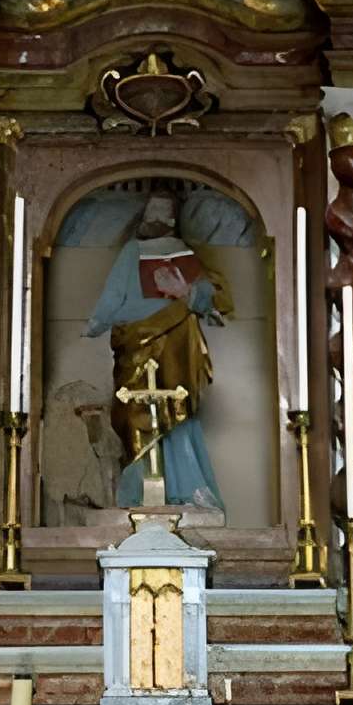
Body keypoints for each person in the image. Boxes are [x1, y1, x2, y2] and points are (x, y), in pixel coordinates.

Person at [85, 190, 233, 507]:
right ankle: (146, 492)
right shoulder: (134, 253)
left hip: (175, 345)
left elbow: (215, 302)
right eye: (150, 212)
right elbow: (110, 300)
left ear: (169, 220)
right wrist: (97, 323)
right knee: (143, 416)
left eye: (159, 214)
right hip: (143, 348)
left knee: (176, 416)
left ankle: (183, 488)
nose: (152, 220)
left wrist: (184, 292)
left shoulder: (181, 255)